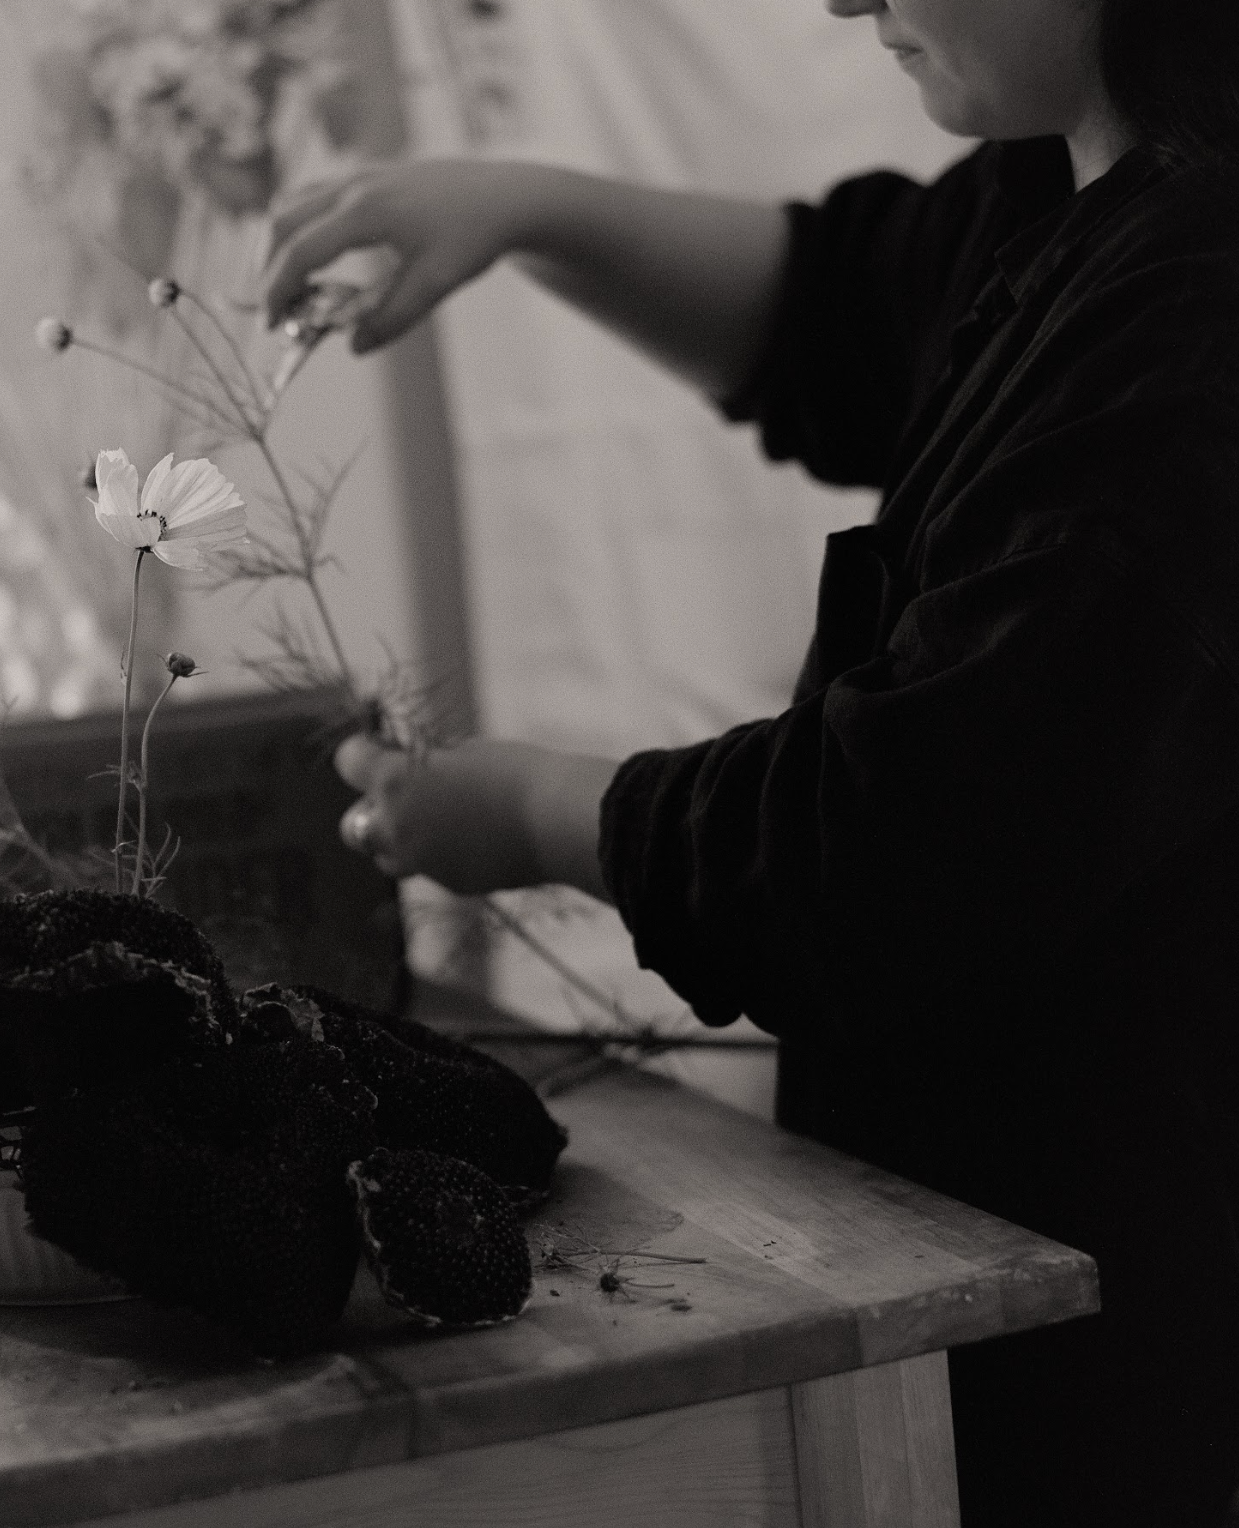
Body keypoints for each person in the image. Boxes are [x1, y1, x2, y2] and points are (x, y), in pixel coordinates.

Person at [264, 0, 1239, 1522]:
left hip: (1146, 1332)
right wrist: (524, 208)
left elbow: (893, 842)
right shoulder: (1086, 184)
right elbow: (850, 314)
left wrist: (530, 808)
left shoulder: (1199, 317)